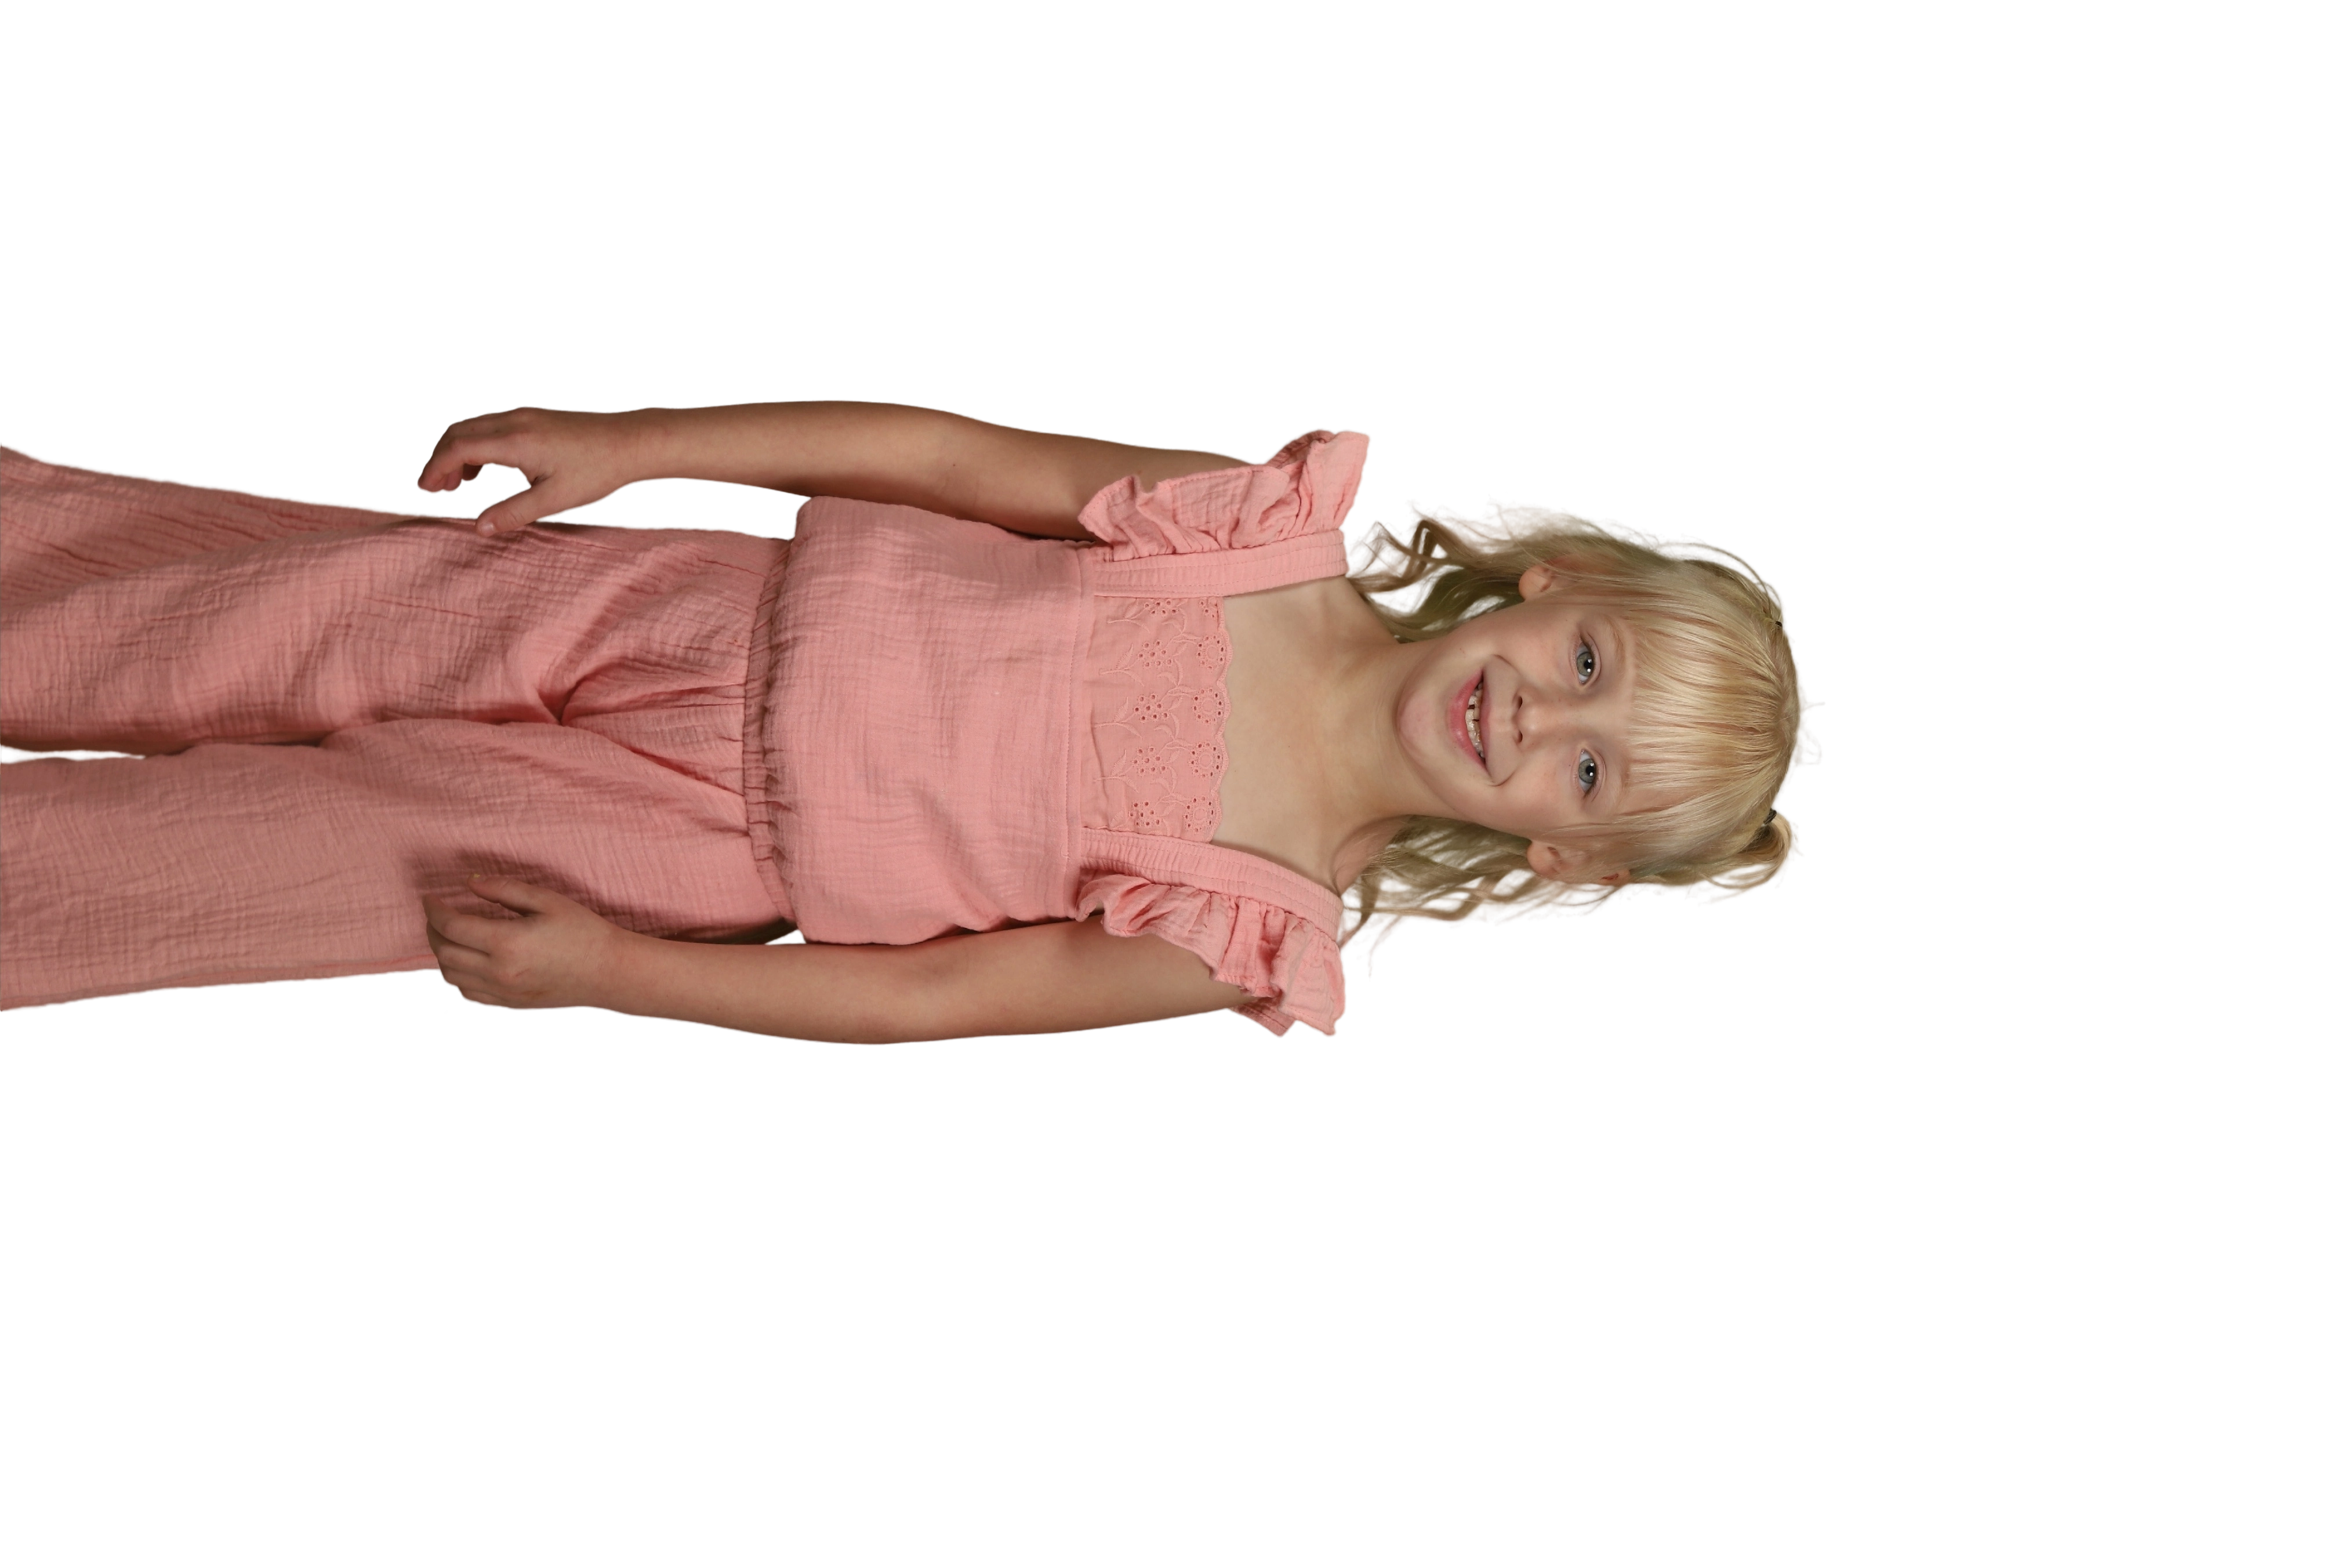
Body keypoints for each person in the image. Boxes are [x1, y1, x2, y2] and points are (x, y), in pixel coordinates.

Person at [0, 401, 1823, 1040]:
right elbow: (938, 458)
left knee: (255, 861)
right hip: (688, 610)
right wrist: (644, 447)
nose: (1535, 718)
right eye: (1593, 663)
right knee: (232, 617)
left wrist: (626, 971)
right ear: (1548, 583)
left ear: (1557, 854)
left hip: (681, 853)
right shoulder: (1258, 539)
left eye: (1591, 769)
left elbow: (934, 999)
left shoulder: (1251, 921)